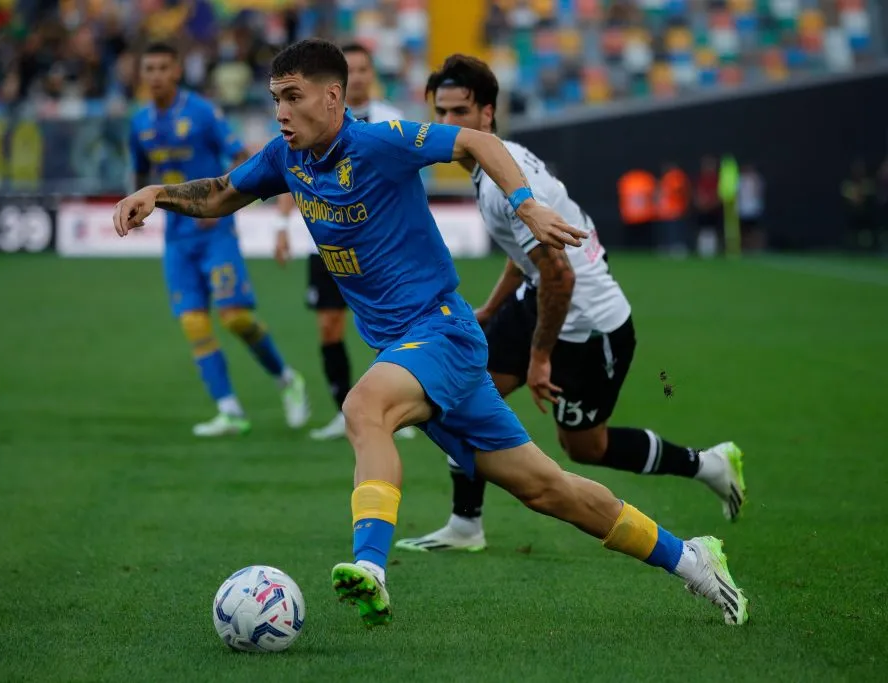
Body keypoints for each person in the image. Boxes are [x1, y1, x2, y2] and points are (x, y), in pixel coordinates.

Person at [114, 39, 748, 629]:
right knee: (549, 490)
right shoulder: (287, 157)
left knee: (364, 409)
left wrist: (525, 203)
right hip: (412, 348)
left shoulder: (381, 142)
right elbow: (223, 192)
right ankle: (691, 559)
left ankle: (369, 567)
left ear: (332, 98)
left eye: (293, 96)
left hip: (440, 332)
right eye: (275, 98)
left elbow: (479, 144)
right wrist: (157, 194)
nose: (280, 111)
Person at [394, 55, 746, 555]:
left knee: (585, 447)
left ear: (488, 114)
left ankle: (707, 464)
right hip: (543, 299)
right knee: (462, 391)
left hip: (590, 325)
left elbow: (559, 274)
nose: (448, 125)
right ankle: (465, 525)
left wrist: (540, 359)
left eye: (460, 113)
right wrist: (491, 311)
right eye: (441, 113)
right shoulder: (497, 162)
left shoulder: (502, 183)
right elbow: (527, 259)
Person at [128, 42, 309, 437]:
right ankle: (229, 410)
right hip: (176, 238)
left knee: (235, 317)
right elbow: (141, 174)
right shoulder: (138, 122)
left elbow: (241, 155)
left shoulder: (202, 113)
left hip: (214, 234)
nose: (156, 75)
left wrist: (221, 206)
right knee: (194, 323)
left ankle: (287, 379)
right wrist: (137, 206)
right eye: (149, 68)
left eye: (163, 67)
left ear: (177, 70)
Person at [271, 42, 417, 442]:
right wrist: (282, 226)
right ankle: (343, 410)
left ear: (370, 75)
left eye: (364, 69)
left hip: (379, 247)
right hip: (328, 245)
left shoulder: (390, 121)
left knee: (389, 325)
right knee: (330, 326)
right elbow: (289, 173)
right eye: (351, 68)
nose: (359, 76)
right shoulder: (308, 124)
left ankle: (396, 409)